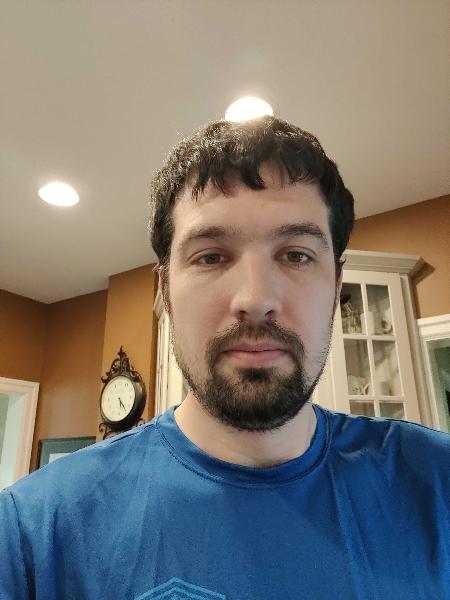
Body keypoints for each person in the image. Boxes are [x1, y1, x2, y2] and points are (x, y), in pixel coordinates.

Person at [1, 116, 449, 600]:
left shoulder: (436, 481)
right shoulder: (32, 533)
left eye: (296, 255)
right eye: (211, 256)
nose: (255, 299)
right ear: (165, 291)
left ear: (336, 286)